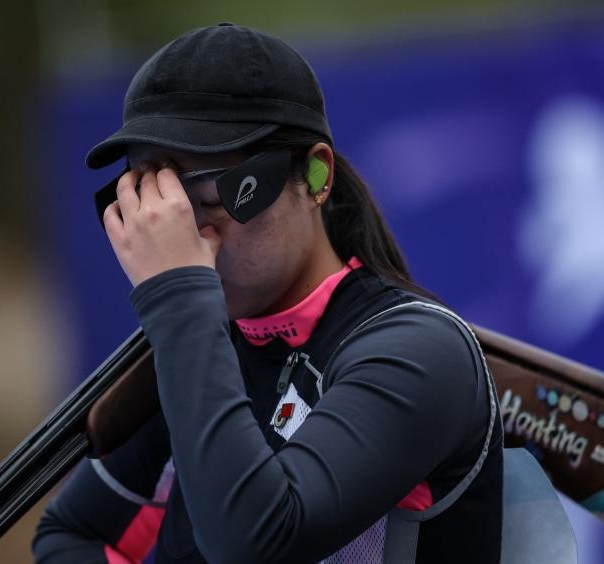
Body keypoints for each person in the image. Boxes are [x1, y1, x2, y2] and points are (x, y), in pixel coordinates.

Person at [33, 23, 503, 564]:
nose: (187, 232)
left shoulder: (419, 349)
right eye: (155, 199)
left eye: (210, 192)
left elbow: (254, 543)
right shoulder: (205, 346)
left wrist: (180, 297)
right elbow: (70, 533)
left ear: (317, 175)